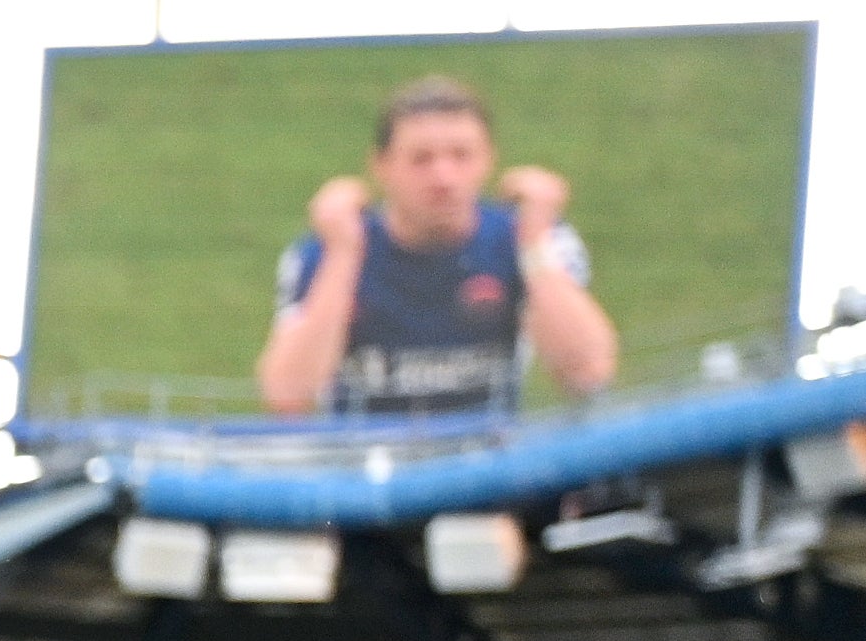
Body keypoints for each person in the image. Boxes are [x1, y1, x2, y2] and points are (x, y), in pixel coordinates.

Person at [254, 76, 618, 420]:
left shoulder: (528, 237)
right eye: (421, 159)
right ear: (381, 166)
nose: (443, 178)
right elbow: (287, 395)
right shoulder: (324, 252)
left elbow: (588, 372)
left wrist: (535, 243)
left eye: (461, 156)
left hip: (487, 465)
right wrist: (343, 256)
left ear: (488, 160)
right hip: (369, 468)